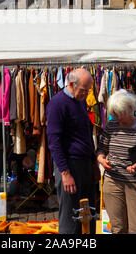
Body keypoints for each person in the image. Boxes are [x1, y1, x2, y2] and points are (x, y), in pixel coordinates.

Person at [97, 89, 136, 234]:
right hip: (112, 181)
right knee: (117, 228)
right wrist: (102, 160)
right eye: (114, 113)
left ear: (131, 108)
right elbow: (100, 149)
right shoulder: (112, 125)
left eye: (120, 113)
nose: (117, 117)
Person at [46, 68, 97, 234]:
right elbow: (54, 141)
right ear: (71, 84)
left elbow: (86, 135)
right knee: (70, 215)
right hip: (69, 165)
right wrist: (65, 173)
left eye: (88, 90)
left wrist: (94, 163)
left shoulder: (80, 100)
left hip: (85, 164)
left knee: (88, 213)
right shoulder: (57, 104)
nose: (86, 94)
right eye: (83, 90)